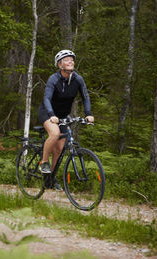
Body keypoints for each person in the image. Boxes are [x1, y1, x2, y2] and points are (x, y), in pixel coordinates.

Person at [38, 50, 94, 190]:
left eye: (72, 60)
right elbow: (46, 98)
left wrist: (88, 114)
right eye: (67, 59)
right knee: (55, 134)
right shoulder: (54, 79)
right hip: (48, 112)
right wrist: (51, 114)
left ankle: (50, 178)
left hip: (63, 115)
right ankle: (44, 162)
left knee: (59, 149)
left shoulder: (78, 79)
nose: (71, 62)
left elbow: (86, 97)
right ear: (59, 64)